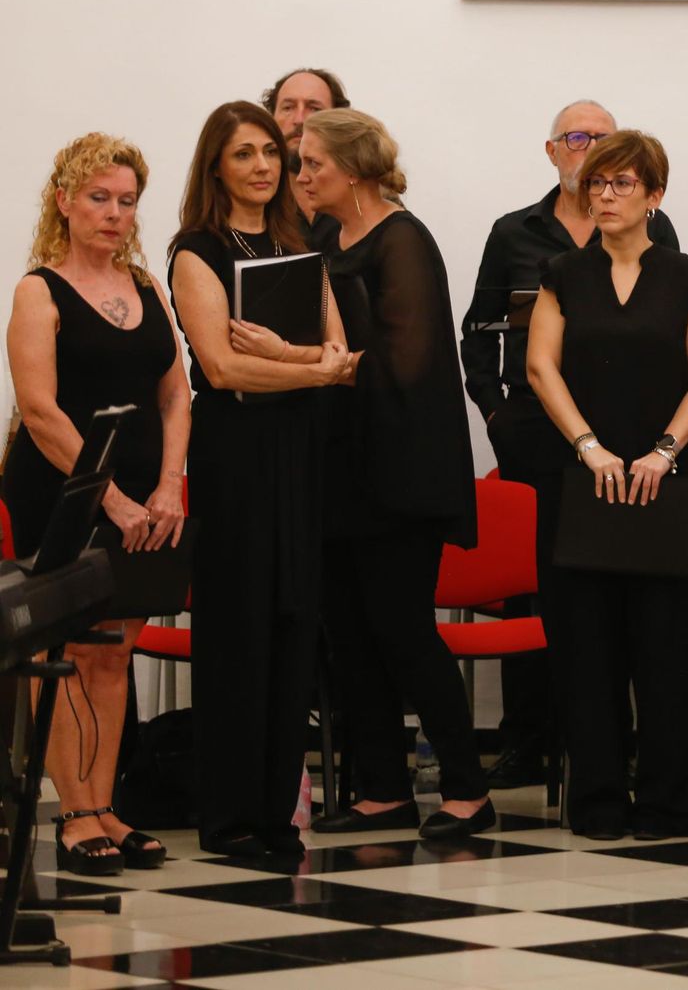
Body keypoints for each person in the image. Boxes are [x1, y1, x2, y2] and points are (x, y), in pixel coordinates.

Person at [461, 99, 680, 790]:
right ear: (553, 152)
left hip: (624, 434)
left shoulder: (656, 227)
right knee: (538, 587)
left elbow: (665, 318)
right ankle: (529, 738)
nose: (590, 151)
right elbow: (478, 329)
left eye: (605, 140)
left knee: (614, 590)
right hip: (537, 431)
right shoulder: (513, 231)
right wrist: (497, 413)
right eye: (576, 138)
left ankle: (616, 749)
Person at [295, 108, 493, 840]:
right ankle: (382, 786)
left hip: (400, 471)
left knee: (404, 631)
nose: (303, 175)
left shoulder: (402, 238)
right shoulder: (320, 235)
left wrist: (324, 364)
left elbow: (407, 363)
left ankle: (468, 789)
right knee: (347, 633)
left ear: (355, 169)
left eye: (314, 163)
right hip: (338, 465)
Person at [168, 101, 352, 856]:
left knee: (291, 625)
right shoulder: (196, 249)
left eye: (272, 153)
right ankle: (229, 817)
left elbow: (341, 353)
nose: (263, 167)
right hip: (234, 455)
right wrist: (307, 365)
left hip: (299, 449)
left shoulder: (300, 239)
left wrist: (287, 355)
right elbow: (219, 368)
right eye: (244, 154)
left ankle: (276, 815)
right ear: (217, 165)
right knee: (238, 629)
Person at [526, 130, 688, 839]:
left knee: (668, 649)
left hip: (667, 484)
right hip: (586, 483)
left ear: (655, 196)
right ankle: (599, 802)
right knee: (586, 648)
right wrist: (589, 447)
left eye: (622, 185)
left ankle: (666, 802)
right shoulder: (561, 274)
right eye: (596, 185)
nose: (604, 195)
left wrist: (664, 451)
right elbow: (541, 368)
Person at [3, 133, 188, 874]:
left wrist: (171, 482)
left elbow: (175, 390)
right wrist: (110, 500)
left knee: (114, 653)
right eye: (99, 198)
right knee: (68, 650)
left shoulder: (146, 287)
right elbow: (41, 410)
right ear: (64, 202)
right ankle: (75, 813)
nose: (114, 214)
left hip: (147, 493)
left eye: (126, 201)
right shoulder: (37, 290)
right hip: (65, 490)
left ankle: (106, 805)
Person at [260, 67, 350, 243]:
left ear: (338, 119)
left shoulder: (364, 191)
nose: (300, 119)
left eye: (314, 108)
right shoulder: (255, 194)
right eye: (288, 107)